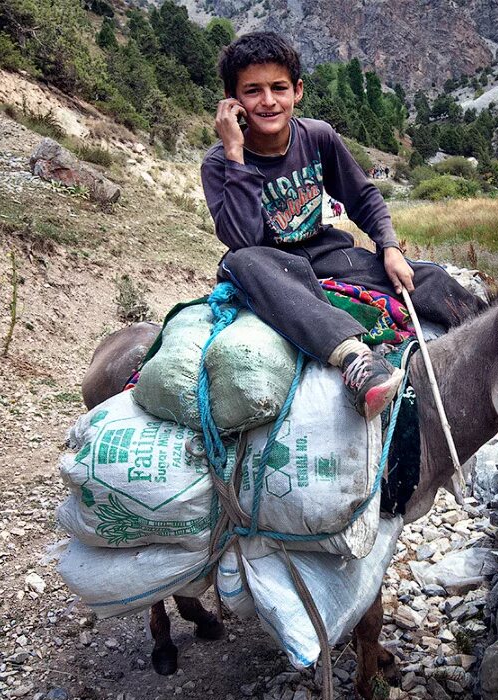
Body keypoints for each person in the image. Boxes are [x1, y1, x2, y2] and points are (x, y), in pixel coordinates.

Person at [200, 32, 481, 419]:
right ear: (233, 102)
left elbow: (363, 197)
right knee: (241, 260)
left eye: (278, 87)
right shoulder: (219, 162)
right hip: (269, 267)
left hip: (327, 254)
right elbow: (242, 237)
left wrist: (390, 247)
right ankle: (353, 357)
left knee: (427, 277)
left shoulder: (318, 137)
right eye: (253, 91)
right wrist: (235, 153)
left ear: (297, 91)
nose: (268, 101)